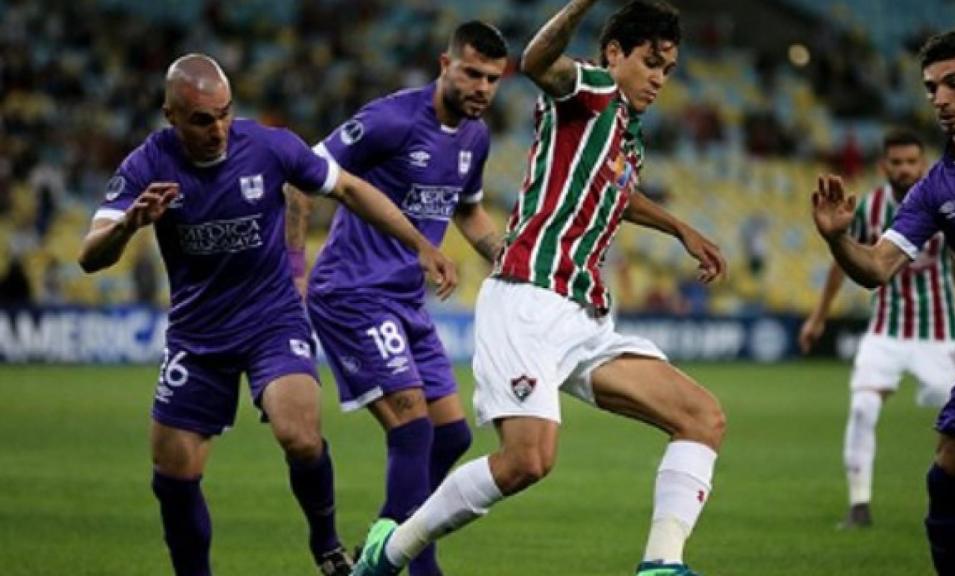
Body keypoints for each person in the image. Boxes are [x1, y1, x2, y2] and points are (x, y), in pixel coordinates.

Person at [353, 2, 728, 576]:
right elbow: (535, 61)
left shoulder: (627, 132)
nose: (659, 77)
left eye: (668, 69)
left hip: (582, 316)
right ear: (614, 54)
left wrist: (680, 227)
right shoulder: (591, 89)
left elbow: (613, 194)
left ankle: (661, 564)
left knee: (702, 417)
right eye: (651, 62)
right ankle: (392, 550)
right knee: (527, 461)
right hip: (528, 298)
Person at [78, 54, 457, 576]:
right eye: (202, 120)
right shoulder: (148, 163)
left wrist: (418, 243)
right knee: (174, 474)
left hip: (272, 320)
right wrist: (130, 225)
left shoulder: (270, 146)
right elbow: (89, 254)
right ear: (171, 115)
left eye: (225, 113)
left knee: (299, 434)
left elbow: (347, 187)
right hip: (197, 334)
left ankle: (326, 545)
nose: (218, 129)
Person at [289, 21, 508, 576]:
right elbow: (299, 178)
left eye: (494, 79)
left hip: (407, 299)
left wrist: (508, 257)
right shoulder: (390, 120)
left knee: (452, 434)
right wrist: (294, 273)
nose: (483, 88)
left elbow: (468, 210)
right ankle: (401, 564)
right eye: (473, 73)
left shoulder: (475, 138)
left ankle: (390, 540)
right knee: (411, 428)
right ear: (445, 64)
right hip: (351, 293)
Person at [810, 31, 955, 576]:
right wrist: (837, 239)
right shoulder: (934, 190)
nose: (942, 98)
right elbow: (877, 268)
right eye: (932, 88)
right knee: (948, 475)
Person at [800, 130, 955, 529]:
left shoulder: (944, 198)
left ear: (921, 164)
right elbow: (843, 262)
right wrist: (818, 317)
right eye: (896, 163)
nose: (903, 169)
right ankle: (859, 504)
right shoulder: (869, 207)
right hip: (886, 329)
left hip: (940, 333)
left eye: (910, 162)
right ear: (884, 165)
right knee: (863, 407)